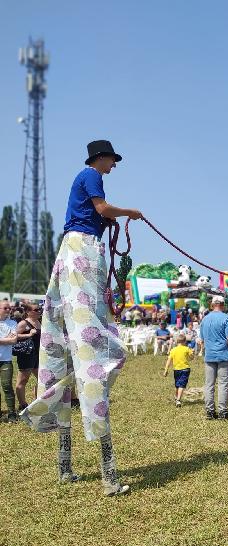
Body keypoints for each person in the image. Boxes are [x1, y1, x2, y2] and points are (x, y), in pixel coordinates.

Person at [20, 140, 142, 496]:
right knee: (95, 352)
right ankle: (108, 477)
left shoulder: (84, 178)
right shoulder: (91, 176)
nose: (113, 166)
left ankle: (65, 466)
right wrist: (129, 212)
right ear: (101, 159)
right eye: (112, 161)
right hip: (82, 249)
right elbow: (102, 209)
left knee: (69, 341)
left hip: (72, 252)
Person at [198, 296, 228, 419]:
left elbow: (202, 340)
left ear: (212, 305)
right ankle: (223, 412)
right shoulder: (227, 318)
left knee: (209, 384)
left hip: (209, 356)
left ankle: (210, 411)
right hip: (224, 355)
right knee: (223, 384)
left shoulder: (204, 319)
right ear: (223, 305)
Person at [15, 302, 42, 411]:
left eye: (39, 309)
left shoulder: (38, 322)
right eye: (36, 310)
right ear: (28, 312)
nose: (39, 311)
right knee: (23, 381)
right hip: (26, 355)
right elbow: (14, 336)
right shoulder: (23, 323)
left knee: (41, 379)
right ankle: (22, 405)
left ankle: (37, 401)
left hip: (37, 355)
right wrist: (29, 334)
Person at [163, 333, 194, 407]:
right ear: (185, 341)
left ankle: (176, 397)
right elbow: (191, 358)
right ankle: (178, 400)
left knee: (177, 385)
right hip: (185, 369)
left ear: (177, 342)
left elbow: (169, 360)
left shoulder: (173, 350)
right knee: (181, 385)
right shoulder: (187, 348)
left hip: (176, 370)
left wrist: (166, 370)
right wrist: (192, 353)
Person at [0, 300, 18, 422]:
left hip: (6, 360)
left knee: (7, 386)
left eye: (9, 308)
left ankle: (12, 413)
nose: (8, 310)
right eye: (5, 308)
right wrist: (7, 339)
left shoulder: (12, 322)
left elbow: (14, 340)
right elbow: (10, 339)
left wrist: (3, 340)